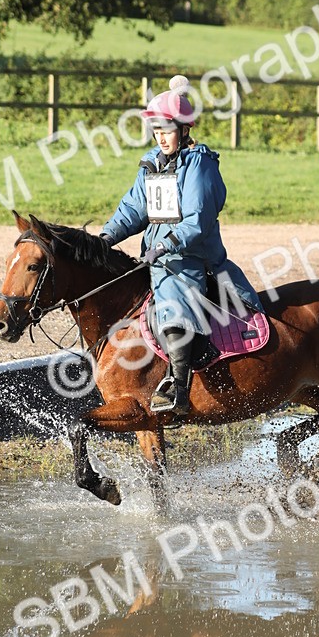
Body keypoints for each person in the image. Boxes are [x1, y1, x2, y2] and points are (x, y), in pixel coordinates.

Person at [100, 75, 262, 415]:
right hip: (157, 259)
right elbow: (133, 208)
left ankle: (179, 393)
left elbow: (197, 221)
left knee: (172, 311)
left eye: (167, 130)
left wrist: (166, 245)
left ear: (184, 130)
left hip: (191, 261)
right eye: (156, 130)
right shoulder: (152, 163)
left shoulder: (199, 165)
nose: (160, 137)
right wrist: (106, 237)